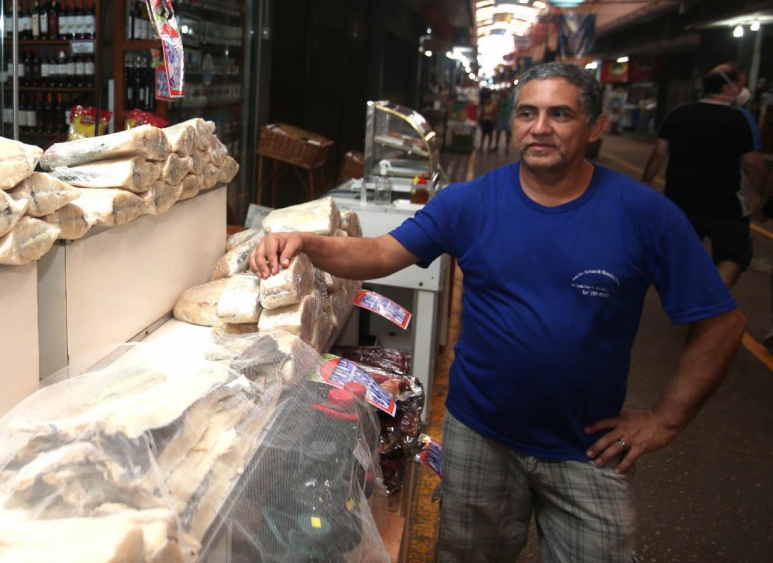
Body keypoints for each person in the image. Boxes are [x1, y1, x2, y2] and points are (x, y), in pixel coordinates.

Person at [251, 62, 746, 562]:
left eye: (560, 114)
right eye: (527, 113)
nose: (540, 127)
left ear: (596, 126)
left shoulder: (645, 215)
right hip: (478, 436)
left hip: (587, 448)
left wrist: (664, 421)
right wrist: (306, 242)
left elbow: (721, 324)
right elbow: (380, 253)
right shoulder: (469, 202)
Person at [641, 62, 766, 288]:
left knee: (682, 253)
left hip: (679, 199)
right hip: (724, 203)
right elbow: (752, 164)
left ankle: (687, 298)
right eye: (741, 85)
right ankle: (713, 299)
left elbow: (659, 152)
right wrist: (763, 198)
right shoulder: (739, 119)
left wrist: (647, 182)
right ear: (727, 88)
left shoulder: (678, 114)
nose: (742, 90)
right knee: (734, 254)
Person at [492, 87, 513, 152]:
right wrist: (495, 117)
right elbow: (496, 108)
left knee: (508, 133)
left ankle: (507, 147)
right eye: (502, 93)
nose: (503, 94)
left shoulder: (511, 100)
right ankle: (496, 145)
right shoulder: (500, 100)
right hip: (500, 118)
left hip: (508, 118)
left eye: (504, 93)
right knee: (498, 132)